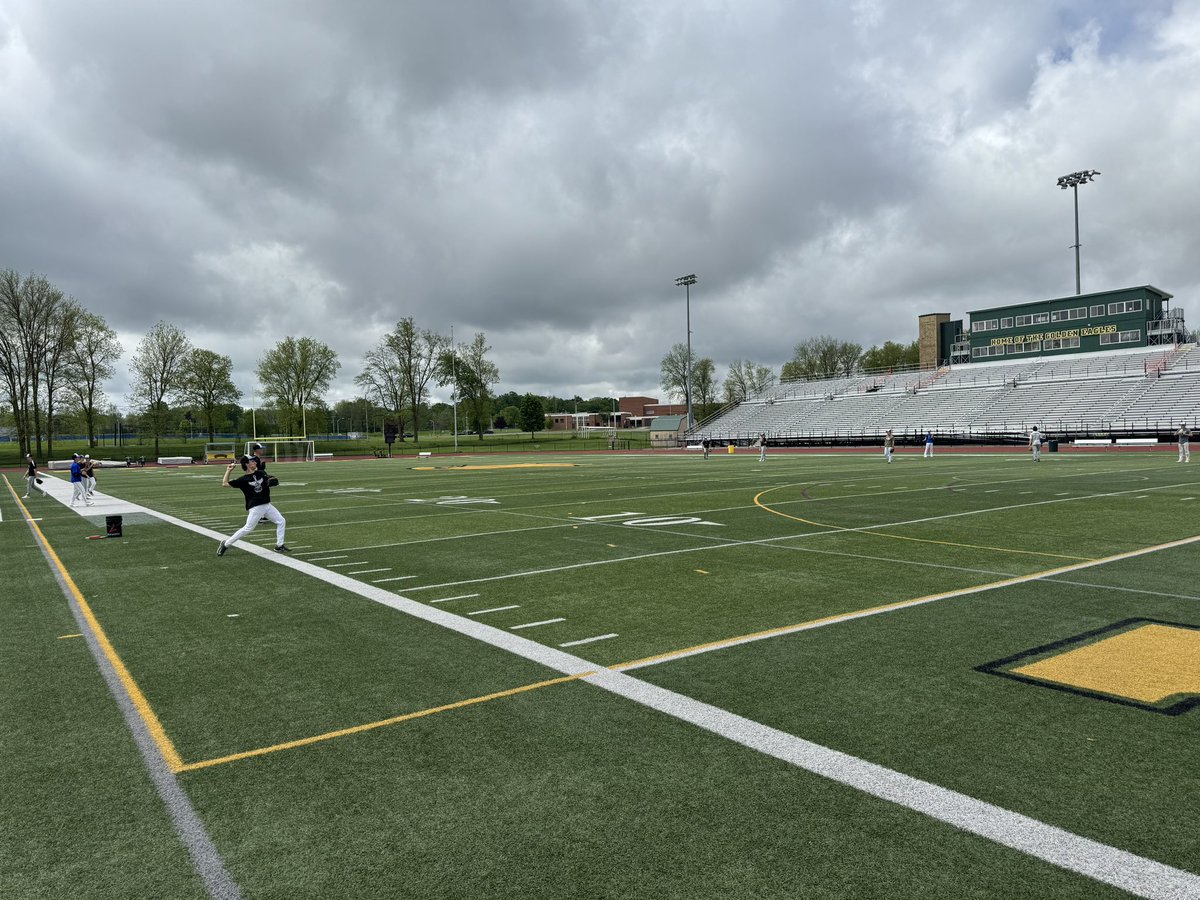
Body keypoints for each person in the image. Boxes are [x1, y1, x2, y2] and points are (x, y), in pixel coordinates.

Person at [217, 455, 289, 556]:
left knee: (281, 521)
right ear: (247, 464)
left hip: (267, 505)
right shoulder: (243, 480)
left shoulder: (261, 473)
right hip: (256, 507)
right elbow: (224, 483)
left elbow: (270, 479)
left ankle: (279, 545)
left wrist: (273, 479)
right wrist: (229, 470)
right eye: (252, 461)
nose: (255, 462)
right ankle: (226, 544)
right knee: (248, 528)